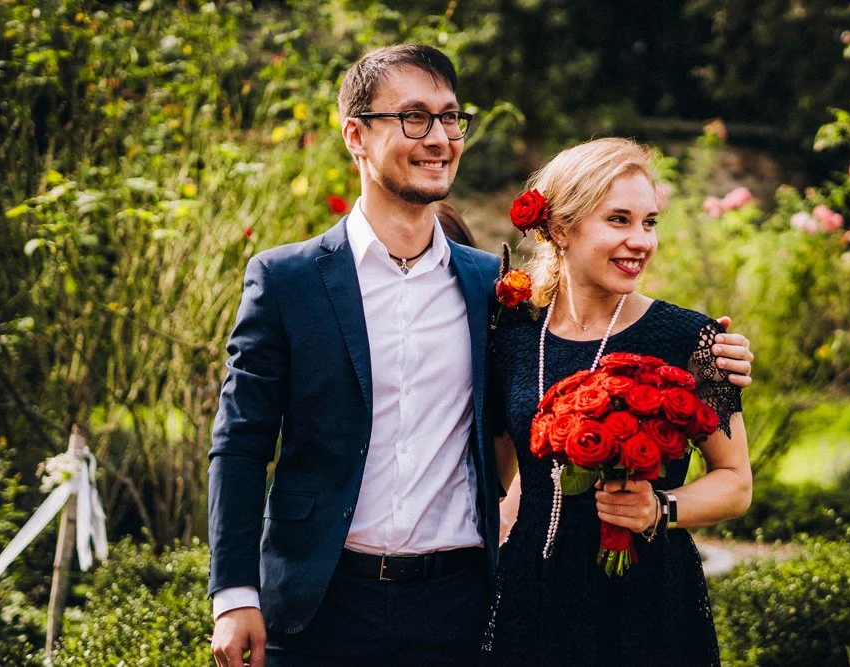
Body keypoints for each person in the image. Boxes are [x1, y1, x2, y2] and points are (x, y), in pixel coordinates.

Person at [208, 45, 753, 666]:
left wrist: (713, 364)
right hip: (318, 603)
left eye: (450, 117)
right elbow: (241, 443)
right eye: (414, 117)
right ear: (355, 135)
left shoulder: (490, 292)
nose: (439, 137)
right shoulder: (287, 280)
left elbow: (505, 446)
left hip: (459, 609)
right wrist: (233, 592)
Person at [483, 137, 752, 666]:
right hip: (532, 593)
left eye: (649, 222)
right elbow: (496, 476)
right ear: (561, 229)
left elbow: (735, 483)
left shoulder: (690, 339)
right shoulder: (513, 335)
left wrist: (659, 508)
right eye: (619, 220)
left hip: (646, 601)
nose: (640, 241)